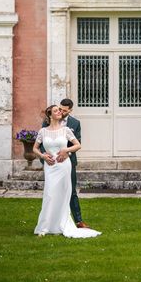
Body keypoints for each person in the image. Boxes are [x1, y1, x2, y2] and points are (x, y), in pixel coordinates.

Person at [33, 105, 101, 238]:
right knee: (49, 194)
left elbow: (78, 145)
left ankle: (61, 224)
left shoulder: (65, 130)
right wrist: (43, 156)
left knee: (63, 195)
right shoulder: (43, 131)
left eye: (60, 110)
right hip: (50, 166)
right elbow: (35, 148)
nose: (59, 112)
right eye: (56, 111)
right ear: (50, 115)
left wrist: (66, 150)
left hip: (63, 166)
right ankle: (45, 226)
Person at [41, 98, 92, 229]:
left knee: (71, 191)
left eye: (64, 110)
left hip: (67, 162)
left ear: (70, 110)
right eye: (60, 109)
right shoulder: (48, 120)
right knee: (51, 192)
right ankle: (51, 222)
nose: (61, 112)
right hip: (52, 163)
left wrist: (66, 154)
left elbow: (77, 142)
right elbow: (42, 142)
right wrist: (45, 157)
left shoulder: (75, 123)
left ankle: (78, 221)